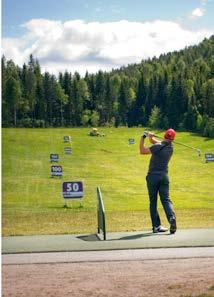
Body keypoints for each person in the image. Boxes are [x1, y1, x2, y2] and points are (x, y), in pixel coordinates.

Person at [139, 128, 177, 234]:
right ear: (173, 139)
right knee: (166, 199)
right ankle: (171, 218)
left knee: (153, 202)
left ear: (164, 135)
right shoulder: (170, 147)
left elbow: (142, 151)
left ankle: (156, 226)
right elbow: (157, 142)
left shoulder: (157, 147)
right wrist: (151, 137)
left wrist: (143, 137)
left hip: (152, 177)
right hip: (164, 177)